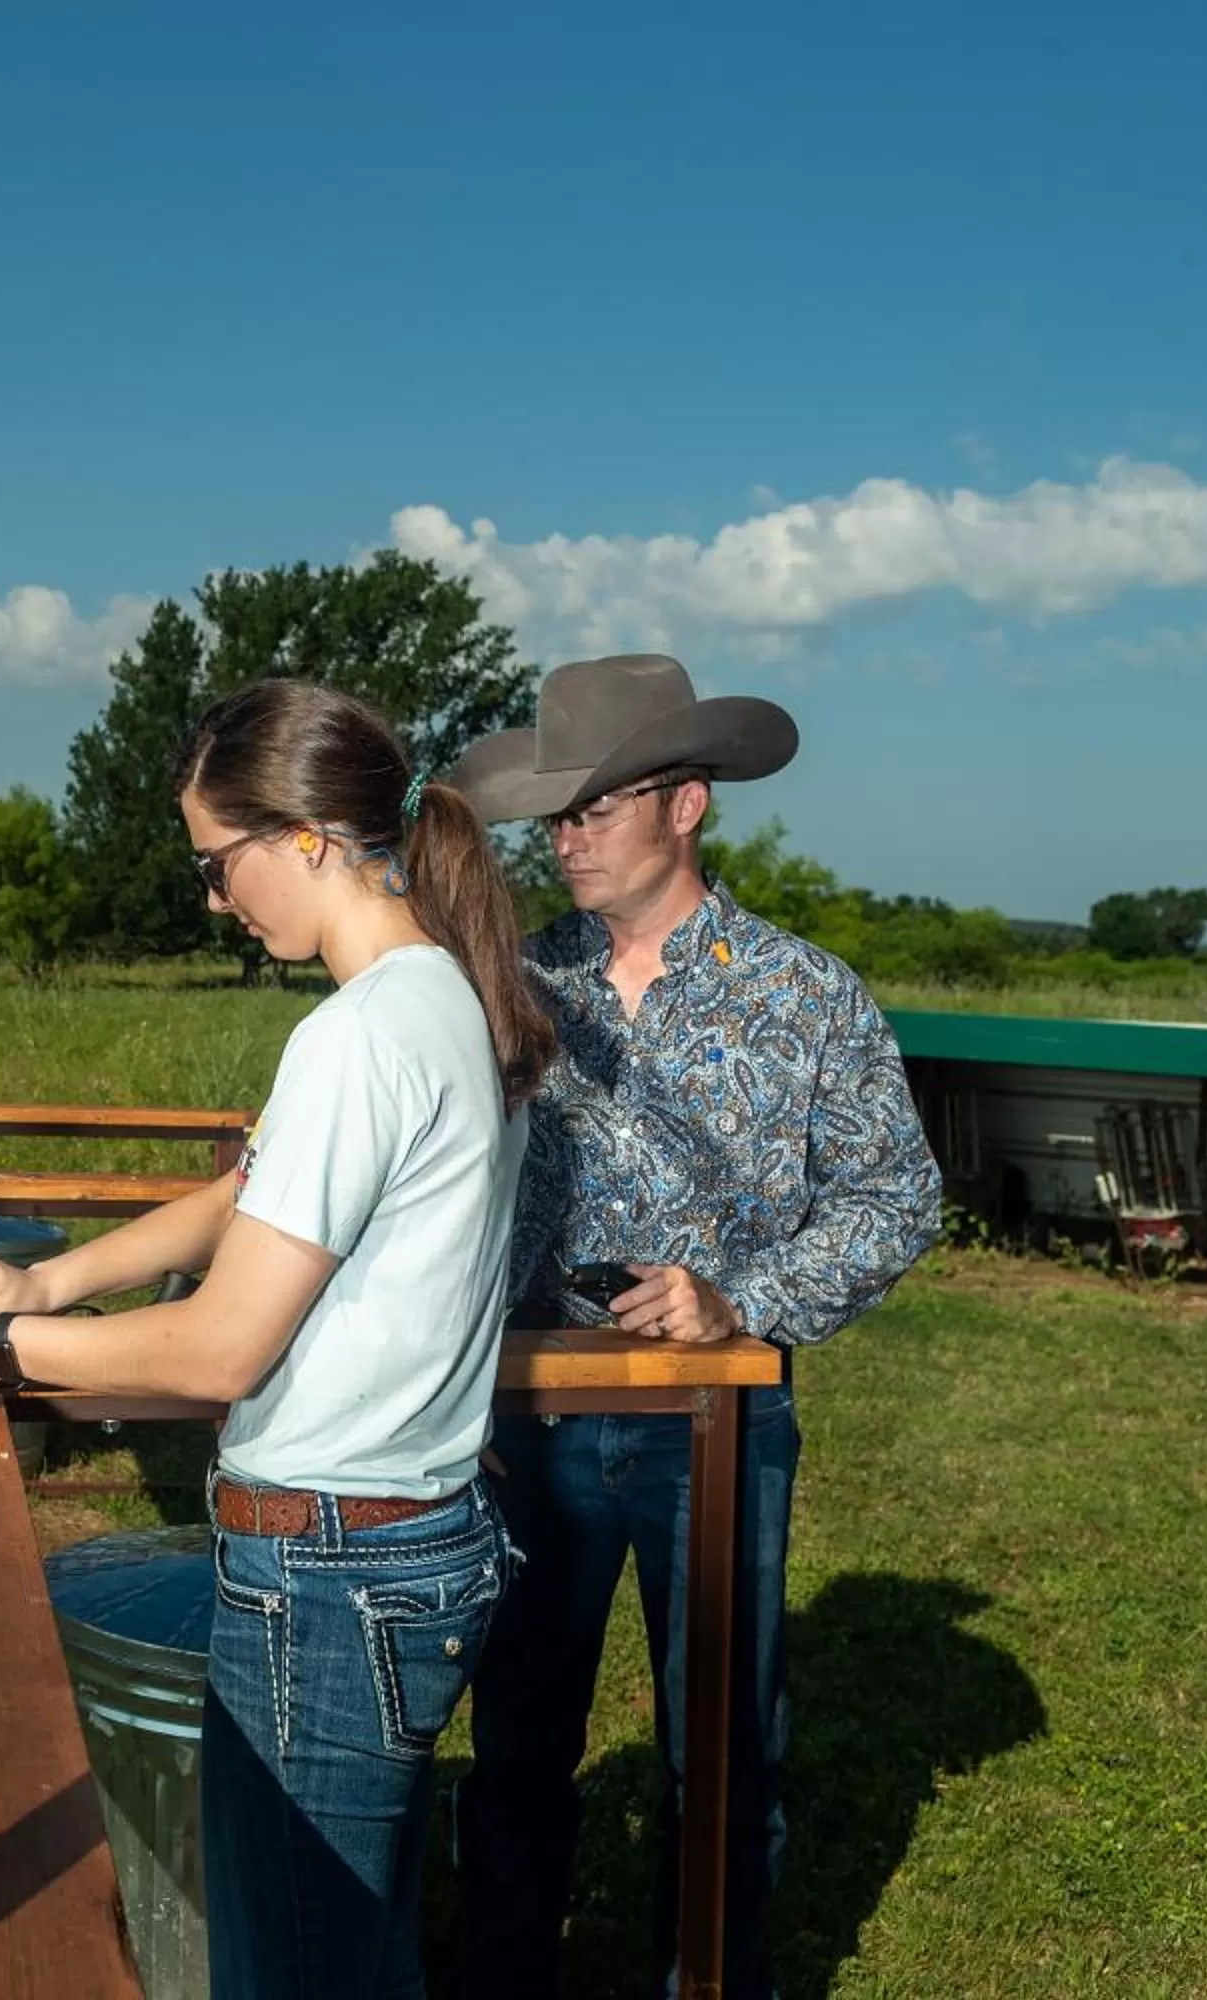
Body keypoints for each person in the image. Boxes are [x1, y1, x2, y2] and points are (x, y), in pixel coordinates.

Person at [0, 677, 554, 1998]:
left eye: (216, 861)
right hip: (410, 1548)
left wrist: (0, 1359)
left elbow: (219, 1352)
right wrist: (51, 1283)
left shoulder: (357, 1037)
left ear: (304, 836)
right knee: (356, 1951)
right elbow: (254, 1195)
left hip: (332, 1575)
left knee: (288, 1972)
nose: (212, 899)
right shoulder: (448, 998)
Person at [440, 654, 942, 2000]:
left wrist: (743, 1302)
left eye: (600, 804)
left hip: (715, 1422)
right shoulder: (510, 982)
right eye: (558, 810)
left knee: (719, 1746)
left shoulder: (807, 995)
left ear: (689, 805)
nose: (569, 835)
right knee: (515, 1742)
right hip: (527, 1415)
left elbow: (899, 1197)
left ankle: (709, 1979)